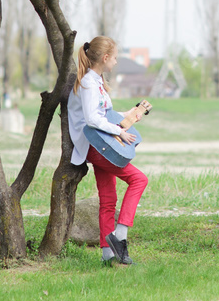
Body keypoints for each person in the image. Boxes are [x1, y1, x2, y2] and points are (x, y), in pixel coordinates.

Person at [68, 36, 148, 266]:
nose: (115, 62)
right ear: (104, 58)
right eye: (114, 58)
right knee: (139, 180)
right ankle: (120, 236)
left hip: (102, 142)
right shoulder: (88, 84)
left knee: (108, 198)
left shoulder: (96, 81)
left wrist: (130, 114)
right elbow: (93, 119)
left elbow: (104, 113)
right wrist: (120, 132)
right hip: (96, 146)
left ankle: (107, 254)